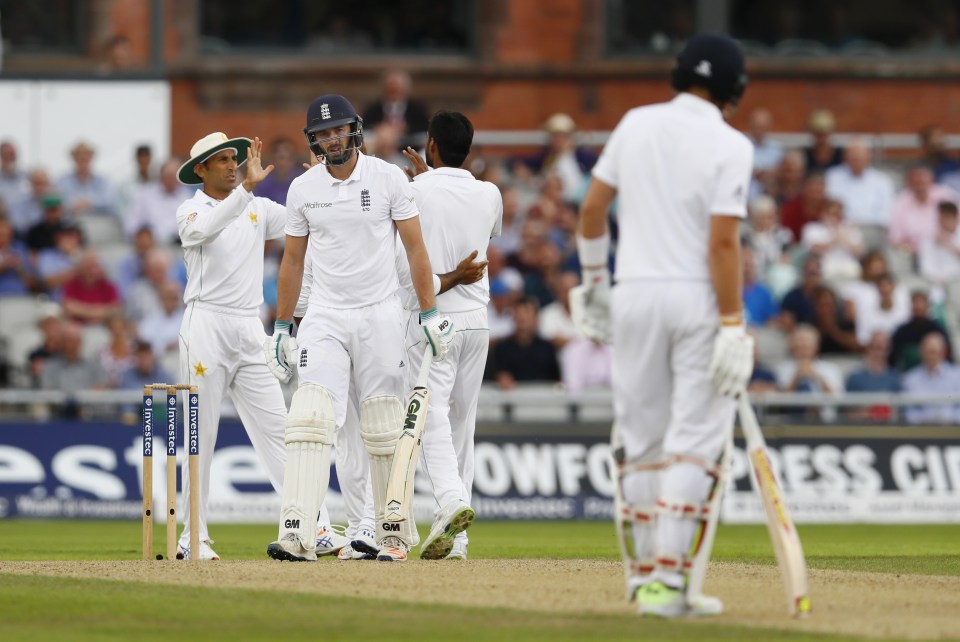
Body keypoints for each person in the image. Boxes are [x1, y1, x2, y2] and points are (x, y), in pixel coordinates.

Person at [573, 33, 755, 617]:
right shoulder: (732, 144)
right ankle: (669, 584)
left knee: (644, 441)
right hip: (697, 299)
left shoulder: (635, 122)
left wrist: (596, 285)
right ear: (734, 88)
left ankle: (645, 576)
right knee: (696, 444)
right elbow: (724, 245)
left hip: (633, 295)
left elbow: (592, 211)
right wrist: (732, 323)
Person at [264, 94, 453, 563]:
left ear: (355, 130)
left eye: (339, 130)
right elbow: (292, 260)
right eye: (323, 133)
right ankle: (298, 531)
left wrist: (428, 314)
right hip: (326, 313)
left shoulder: (388, 178)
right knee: (309, 416)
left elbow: (416, 251)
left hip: (380, 311)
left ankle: (390, 532)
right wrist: (283, 327)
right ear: (314, 140)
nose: (332, 139)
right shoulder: (304, 187)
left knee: (383, 423)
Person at [174, 132, 300, 561]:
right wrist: (246, 189)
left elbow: (306, 220)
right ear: (202, 170)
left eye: (235, 158)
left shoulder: (259, 208)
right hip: (205, 323)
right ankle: (192, 537)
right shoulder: (190, 209)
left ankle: (303, 525)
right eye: (223, 160)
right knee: (200, 435)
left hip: (249, 327)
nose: (233, 165)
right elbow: (205, 231)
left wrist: (324, 186)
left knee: (280, 430)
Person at [395, 111, 502, 560]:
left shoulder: (412, 191)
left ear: (431, 146)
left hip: (432, 317)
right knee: (463, 422)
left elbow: (412, 258)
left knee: (425, 415)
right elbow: (478, 228)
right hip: (478, 321)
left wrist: (423, 182)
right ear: (469, 150)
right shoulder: (490, 193)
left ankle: (451, 503)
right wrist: (431, 180)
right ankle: (458, 539)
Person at [902, 333, 960, 424]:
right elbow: (909, 412)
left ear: (943, 352)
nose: (931, 356)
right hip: (921, 433)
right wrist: (929, 421)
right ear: (921, 352)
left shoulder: (957, 376)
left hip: (952, 431)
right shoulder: (910, 379)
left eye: (933, 352)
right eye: (927, 352)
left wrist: (947, 420)